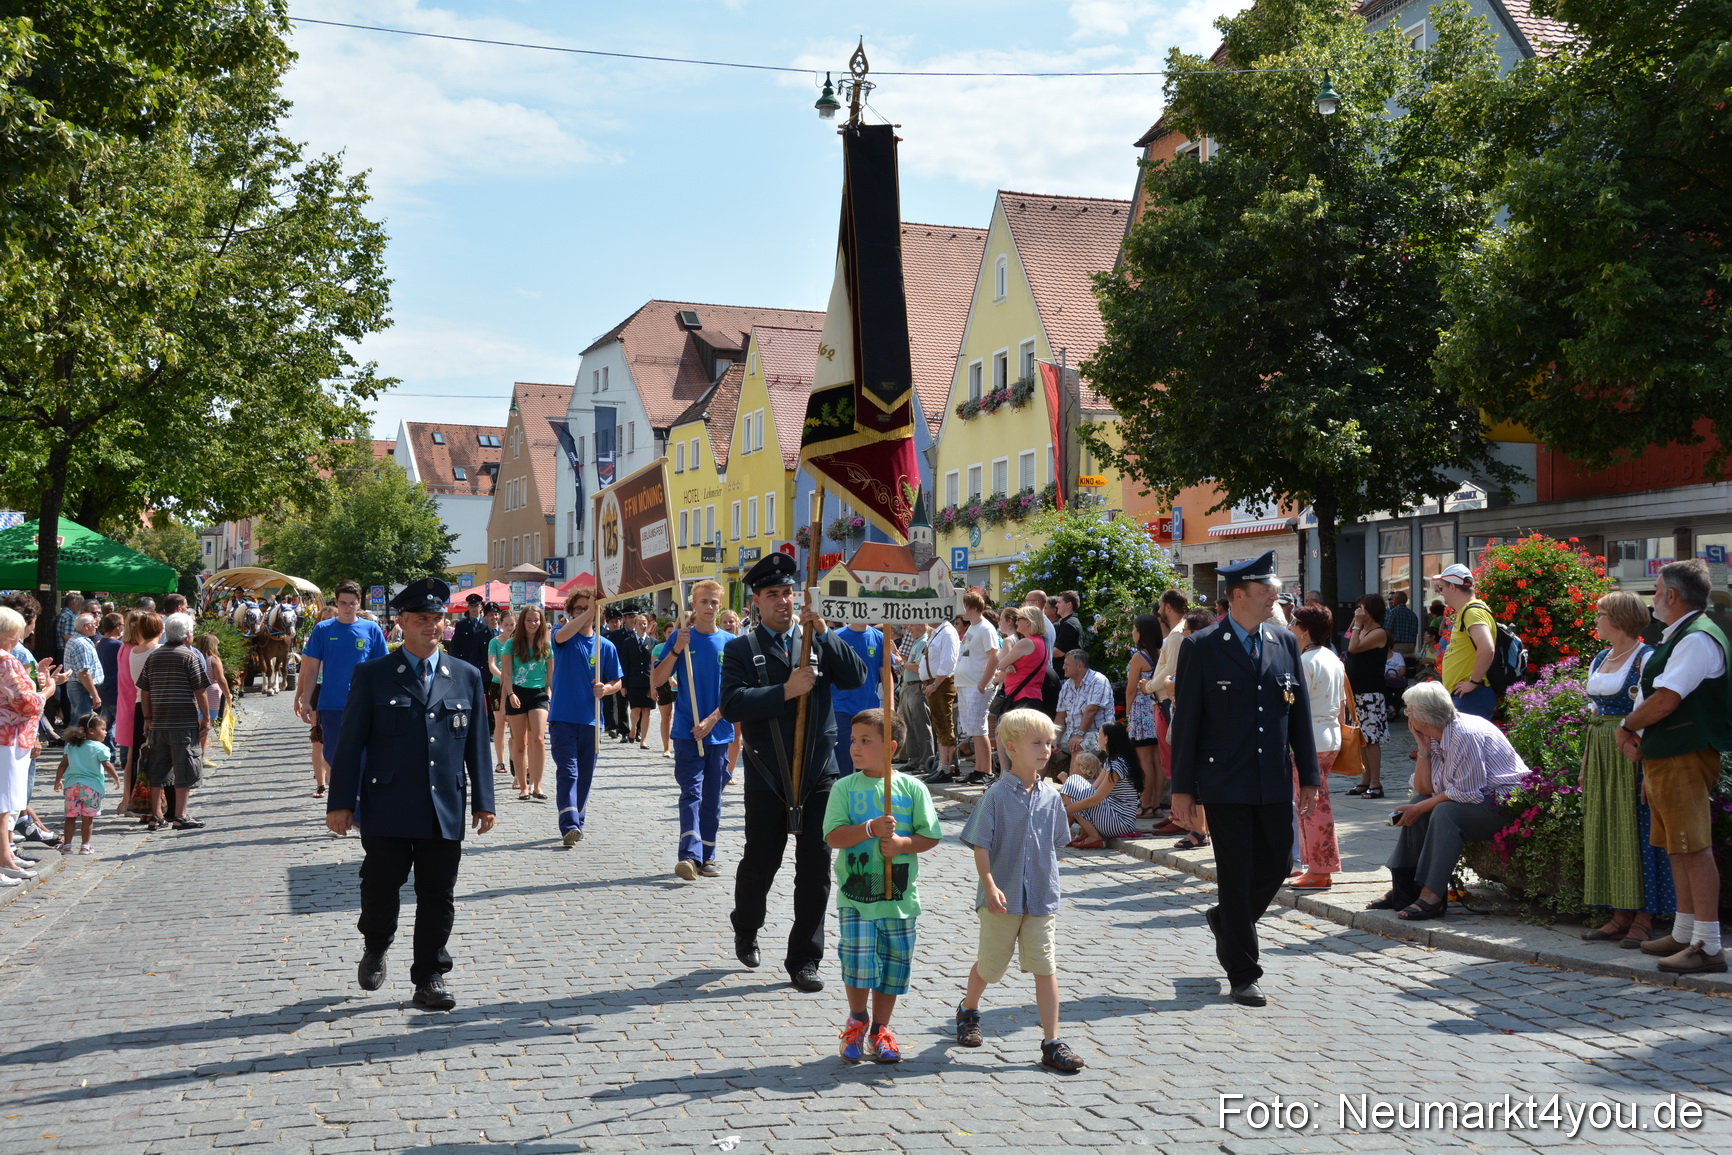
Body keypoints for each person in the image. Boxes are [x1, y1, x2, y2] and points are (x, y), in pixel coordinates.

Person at [327, 577, 496, 1010]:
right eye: (421, 619)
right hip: (388, 804)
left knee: (438, 894)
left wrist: (484, 801)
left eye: (437, 618)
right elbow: (350, 745)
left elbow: (478, 741)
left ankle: (430, 977)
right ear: (401, 623)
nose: (431, 626)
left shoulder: (467, 676)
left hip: (444, 804)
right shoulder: (374, 675)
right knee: (381, 888)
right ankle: (377, 943)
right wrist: (342, 803)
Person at [1169, 550, 1320, 1007]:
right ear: (1237, 596)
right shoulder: (1203, 646)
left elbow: (1300, 715)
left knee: (1276, 865)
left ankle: (1227, 921)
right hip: (1224, 780)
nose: (1274, 596)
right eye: (1263, 590)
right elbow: (1188, 723)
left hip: (1271, 775)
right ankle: (1243, 972)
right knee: (1235, 874)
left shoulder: (1283, 641)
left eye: (1273, 589)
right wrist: (1182, 790)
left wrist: (1309, 774)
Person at [721, 551, 868, 993]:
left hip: (819, 771)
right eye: (773, 595)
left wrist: (824, 632)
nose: (783, 601)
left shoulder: (816, 638)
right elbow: (732, 704)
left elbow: (856, 677)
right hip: (769, 773)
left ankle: (804, 959)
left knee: (815, 867)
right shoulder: (741, 649)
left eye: (788, 593)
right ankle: (746, 924)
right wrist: (785, 690)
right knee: (760, 863)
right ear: (757, 602)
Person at [954, 707, 1085, 1073]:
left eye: (1049, 742)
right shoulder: (995, 797)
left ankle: (1052, 1041)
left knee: (1046, 966)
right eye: (1037, 743)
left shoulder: (1051, 797)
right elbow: (980, 844)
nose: (1047, 749)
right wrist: (990, 885)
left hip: (1041, 898)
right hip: (1002, 898)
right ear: (1012, 748)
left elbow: (1057, 843)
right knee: (992, 967)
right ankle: (968, 1009)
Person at [1617, 559, 1732, 975]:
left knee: (1693, 846)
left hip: (1685, 752)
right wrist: (1643, 748)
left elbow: (1667, 699)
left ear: (1671, 595)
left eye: (1656, 590)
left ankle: (1707, 944)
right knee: (1678, 845)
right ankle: (1686, 932)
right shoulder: (1683, 635)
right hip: (1670, 753)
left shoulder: (1697, 638)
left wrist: (1627, 727)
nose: (1652, 598)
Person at [824, 708, 941, 1064]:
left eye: (865, 741)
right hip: (856, 898)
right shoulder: (844, 787)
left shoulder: (912, 788)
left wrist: (905, 844)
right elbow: (833, 836)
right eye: (852, 741)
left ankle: (881, 1028)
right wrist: (870, 829)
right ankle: (857, 1020)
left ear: (890, 747)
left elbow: (930, 835)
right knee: (858, 962)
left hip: (900, 899)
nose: (854, 748)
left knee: (893, 966)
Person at [1375, 681, 1527, 921]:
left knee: (1445, 813)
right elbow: (1425, 789)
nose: (1406, 715)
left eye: (1409, 710)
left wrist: (1419, 807)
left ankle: (1431, 897)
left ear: (1424, 716)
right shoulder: (1436, 735)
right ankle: (1406, 890)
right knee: (1421, 802)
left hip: (1502, 805)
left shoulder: (1464, 734)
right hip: (1477, 799)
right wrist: (1423, 749)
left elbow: (1468, 792)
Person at [1579, 590, 1673, 948]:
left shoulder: (1645, 659)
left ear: (1618, 619)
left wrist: (1649, 767)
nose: (1596, 620)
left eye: (1601, 614)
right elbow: (1594, 715)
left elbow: (1651, 714)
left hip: (1632, 749)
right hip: (1603, 750)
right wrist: (1587, 762)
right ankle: (1618, 913)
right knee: (1607, 828)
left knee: (1637, 829)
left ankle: (1645, 917)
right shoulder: (1601, 657)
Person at [653, 580, 735, 881]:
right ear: (693, 604)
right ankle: (688, 854)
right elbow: (658, 679)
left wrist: (712, 720)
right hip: (687, 732)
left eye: (714, 602)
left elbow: (735, 691)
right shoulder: (681, 637)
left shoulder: (730, 642)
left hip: (718, 730)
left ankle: (708, 855)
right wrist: (675, 649)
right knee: (692, 792)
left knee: (713, 797)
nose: (710, 607)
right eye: (704, 602)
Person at [295, 581, 389, 796]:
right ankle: (341, 804)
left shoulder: (371, 629)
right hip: (331, 704)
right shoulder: (323, 629)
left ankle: (361, 807)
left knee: (364, 757)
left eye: (353, 603)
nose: (348, 608)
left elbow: (382, 669)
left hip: (363, 705)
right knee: (333, 756)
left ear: (359, 603)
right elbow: (310, 669)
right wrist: (306, 700)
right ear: (336, 602)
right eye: (344, 603)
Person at [548, 585, 623, 847]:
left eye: (588, 608)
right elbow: (561, 636)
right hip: (562, 717)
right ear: (571, 611)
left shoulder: (606, 645)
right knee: (568, 771)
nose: (585, 612)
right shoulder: (562, 635)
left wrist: (606, 689)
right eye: (578, 608)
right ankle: (568, 823)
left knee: (585, 774)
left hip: (591, 721)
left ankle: (577, 818)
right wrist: (589, 610)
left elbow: (617, 681)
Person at [1287, 604, 1343, 890]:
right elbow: (1343, 704)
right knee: (1309, 802)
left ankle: (1321, 868)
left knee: (1313, 804)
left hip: (1312, 737)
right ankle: (1314, 866)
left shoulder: (1306, 661)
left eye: (1294, 623)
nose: (1290, 628)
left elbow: (1294, 706)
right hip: (1329, 734)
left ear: (1304, 629)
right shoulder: (1332, 658)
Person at [138, 612, 212, 831]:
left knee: (157, 770)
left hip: (159, 723)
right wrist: (206, 718)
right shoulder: (189, 656)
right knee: (185, 768)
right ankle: (180, 815)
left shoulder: (154, 656)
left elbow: (144, 690)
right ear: (187, 635)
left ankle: (156, 816)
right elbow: (200, 690)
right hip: (183, 722)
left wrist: (147, 717)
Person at [0, 606, 56, 885]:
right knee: (5, 803)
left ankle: (7, 858)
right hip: (8, 737)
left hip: (10, 736)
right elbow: (27, 703)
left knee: (7, 803)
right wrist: (48, 689)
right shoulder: (6, 660)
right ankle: (5, 860)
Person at [935, 593, 999, 788]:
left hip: (976, 685)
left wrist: (983, 684)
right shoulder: (973, 627)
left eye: (963, 606)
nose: (960, 610)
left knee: (980, 729)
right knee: (973, 729)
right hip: (966, 684)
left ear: (972, 608)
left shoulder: (986, 628)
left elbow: (994, 657)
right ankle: (979, 769)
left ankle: (985, 771)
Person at [1144, 592, 1192, 828]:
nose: (1159, 610)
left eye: (1161, 605)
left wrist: (1149, 686)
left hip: (1166, 699)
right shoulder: (1178, 632)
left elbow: (1170, 670)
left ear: (1169, 607)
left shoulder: (1176, 635)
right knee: (1169, 760)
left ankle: (1180, 817)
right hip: (1165, 698)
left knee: (1172, 761)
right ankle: (1176, 814)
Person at [1428, 563, 1498, 720]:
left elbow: (1487, 648)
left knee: (1467, 744)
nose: (1441, 593)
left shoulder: (1472, 612)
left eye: (1442, 588)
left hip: (1472, 694)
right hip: (1467, 694)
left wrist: (1473, 682)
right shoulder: (1470, 611)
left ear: (1452, 587)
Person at [499, 603, 553, 803]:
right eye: (529, 620)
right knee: (519, 743)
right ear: (523, 622)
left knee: (538, 739)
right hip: (518, 693)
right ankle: (523, 786)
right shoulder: (511, 645)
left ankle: (537, 785)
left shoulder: (546, 646)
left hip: (539, 694)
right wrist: (510, 695)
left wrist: (549, 693)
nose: (533, 623)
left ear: (541, 622)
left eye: (536, 620)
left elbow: (550, 676)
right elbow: (506, 673)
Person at [1060, 721, 1142, 846]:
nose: (1097, 738)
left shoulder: (1118, 764)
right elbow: (1093, 788)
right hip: (1112, 816)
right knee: (1075, 782)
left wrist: (1066, 809)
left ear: (1106, 738)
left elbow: (1095, 799)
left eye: (1099, 735)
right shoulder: (1112, 760)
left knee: (1073, 781)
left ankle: (1093, 836)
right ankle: (1083, 832)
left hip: (1119, 822)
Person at [1342, 594, 1391, 800]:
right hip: (1357, 692)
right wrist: (1357, 624)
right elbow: (1348, 642)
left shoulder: (1380, 633)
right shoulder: (1361, 630)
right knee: (1360, 738)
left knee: (1371, 739)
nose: (1358, 612)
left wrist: (1357, 626)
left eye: (1362, 608)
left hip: (1371, 692)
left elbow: (1354, 648)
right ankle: (1364, 780)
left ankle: (1375, 783)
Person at [831, 620, 894, 779]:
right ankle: (843, 799)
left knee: (868, 760)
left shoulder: (880, 637)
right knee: (843, 761)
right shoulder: (837, 637)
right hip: (841, 708)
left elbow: (886, 674)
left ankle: (865, 800)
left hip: (869, 710)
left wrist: (890, 706)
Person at [52, 712, 120, 855]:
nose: (105, 732)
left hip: (72, 786)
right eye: (102, 729)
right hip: (91, 788)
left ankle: (68, 846)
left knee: (70, 817)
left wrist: (58, 780)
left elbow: (63, 764)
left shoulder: (71, 746)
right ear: (91, 731)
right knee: (87, 818)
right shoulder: (100, 747)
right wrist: (116, 777)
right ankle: (85, 846)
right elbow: (107, 764)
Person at [116, 611, 161, 822]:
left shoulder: (126, 649)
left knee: (133, 757)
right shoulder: (135, 650)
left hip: (128, 705)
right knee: (136, 758)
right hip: (136, 707)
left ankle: (128, 800)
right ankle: (130, 800)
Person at [1125, 614, 1162, 820]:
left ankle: (1145, 804)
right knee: (1157, 761)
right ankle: (1156, 804)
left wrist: (1128, 713)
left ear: (1141, 632)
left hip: (1141, 713)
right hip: (1157, 712)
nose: (1132, 632)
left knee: (1144, 761)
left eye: (1134, 628)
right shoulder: (1160, 652)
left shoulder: (1139, 656)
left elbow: (1131, 690)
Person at [1053, 649, 1114, 762]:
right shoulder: (1067, 685)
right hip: (1071, 733)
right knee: (1044, 747)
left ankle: (1073, 780)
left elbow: (1091, 711)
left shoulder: (1098, 680)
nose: (1063, 667)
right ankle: (1034, 780)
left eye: (1067, 664)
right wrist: (1054, 739)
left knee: (1077, 747)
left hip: (1096, 733)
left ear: (1080, 666)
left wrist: (1079, 735)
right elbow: (1060, 716)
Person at [920, 614, 959, 778]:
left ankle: (945, 768)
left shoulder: (947, 632)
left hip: (941, 684)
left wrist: (935, 684)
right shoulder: (939, 631)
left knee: (943, 724)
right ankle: (943, 767)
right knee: (940, 724)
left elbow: (948, 662)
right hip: (935, 683)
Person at [894, 623, 935, 772]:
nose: (908, 628)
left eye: (912, 625)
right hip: (909, 686)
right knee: (909, 725)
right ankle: (914, 760)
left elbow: (918, 668)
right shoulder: (916, 642)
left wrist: (902, 662)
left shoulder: (923, 642)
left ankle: (926, 761)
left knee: (921, 724)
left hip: (917, 686)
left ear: (922, 626)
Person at [62, 613, 104, 725]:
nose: (96, 626)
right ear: (86, 626)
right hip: (82, 688)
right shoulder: (81, 644)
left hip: (81, 687)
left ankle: (74, 742)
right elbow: (83, 673)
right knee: (81, 724)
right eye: (94, 624)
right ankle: (74, 743)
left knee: (80, 721)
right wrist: (95, 695)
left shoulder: (78, 641)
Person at [486, 607, 513, 776]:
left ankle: (516, 761)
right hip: (497, 685)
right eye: (506, 624)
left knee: (517, 725)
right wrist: (504, 677)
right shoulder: (495, 642)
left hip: (517, 685)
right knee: (500, 722)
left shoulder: (519, 641)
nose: (509, 627)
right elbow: (491, 665)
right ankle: (500, 761)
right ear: (501, 625)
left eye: (512, 624)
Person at [193, 634, 230, 759]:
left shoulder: (195, 657)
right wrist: (228, 695)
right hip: (212, 695)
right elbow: (221, 680)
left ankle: (197, 753)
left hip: (197, 693)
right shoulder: (214, 660)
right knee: (206, 726)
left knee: (198, 724)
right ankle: (201, 755)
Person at [447, 593, 494, 676]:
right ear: (468, 607)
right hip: (466, 662)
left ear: (481, 607)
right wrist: (455, 664)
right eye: (471, 606)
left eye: (476, 605)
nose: (474, 608)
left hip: (484, 664)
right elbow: (455, 646)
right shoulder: (461, 625)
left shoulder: (487, 623)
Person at [94, 612, 123, 734]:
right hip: (115, 690)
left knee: (106, 727)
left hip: (104, 689)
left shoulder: (100, 643)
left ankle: (107, 752)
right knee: (122, 727)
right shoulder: (118, 645)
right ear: (117, 627)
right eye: (123, 624)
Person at [1385, 591, 1421, 657]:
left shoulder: (1394, 612)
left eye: (1394, 598)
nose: (1392, 600)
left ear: (1398, 599)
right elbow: (1415, 633)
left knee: (1395, 665)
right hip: (1411, 645)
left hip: (1397, 646)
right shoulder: (1412, 614)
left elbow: (1388, 631)